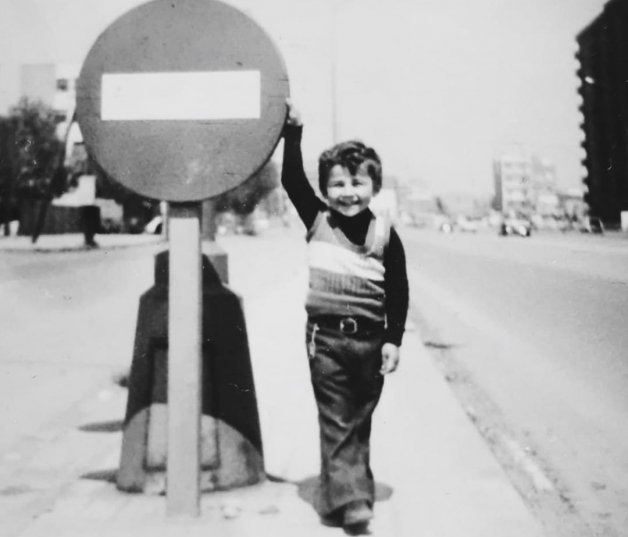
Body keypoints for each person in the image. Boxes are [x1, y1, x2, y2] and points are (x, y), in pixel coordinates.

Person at [281, 100, 409, 533]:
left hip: (371, 341)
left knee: (357, 420)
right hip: (326, 340)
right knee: (337, 417)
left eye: (357, 182)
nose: (347, 192)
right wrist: (293, 132)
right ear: (326, 190)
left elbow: (398, 290)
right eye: (337, 185)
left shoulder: (385, 233)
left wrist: (394, 339)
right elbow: (291, 179)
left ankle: (341, 495)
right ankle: (354, 503)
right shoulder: (317, 218)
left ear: (374, 185)